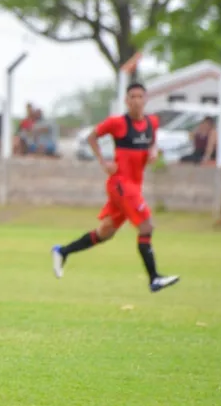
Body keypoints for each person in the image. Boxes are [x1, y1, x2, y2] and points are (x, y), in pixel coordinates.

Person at [51, 83, 178, 293]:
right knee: (146, 226)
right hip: (121, 184)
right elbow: (91, 137)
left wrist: (153, 151)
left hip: (134, 185)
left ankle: (62, 251)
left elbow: (152, 141)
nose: (136, 100)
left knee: (105, 233)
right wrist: (103, 162)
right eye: (132, 97)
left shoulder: (151, 123)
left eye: (140, 96)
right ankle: (154, 278)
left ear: (145, 100)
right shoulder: (117, 123)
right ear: (127, 101)